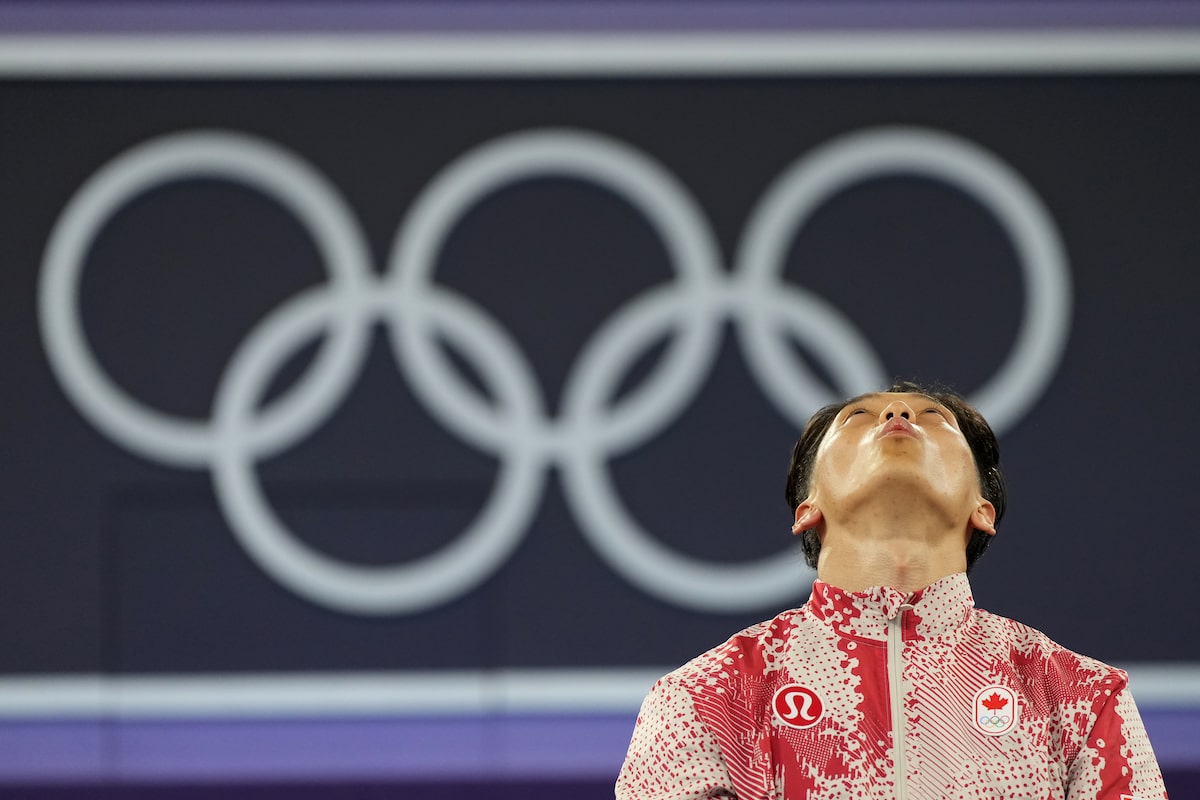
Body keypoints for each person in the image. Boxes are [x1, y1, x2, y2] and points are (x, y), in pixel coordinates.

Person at [615, 381, 1167, 799]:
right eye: (859, 417)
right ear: (808, 508)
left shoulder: (1081, 699)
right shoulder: (707, 699)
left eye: (933, 418)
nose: (899, 415)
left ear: (984, 509)